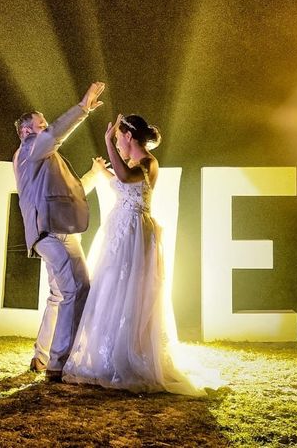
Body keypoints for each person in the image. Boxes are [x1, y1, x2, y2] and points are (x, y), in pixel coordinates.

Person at [63, 114, 224, 396]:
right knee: (113, 288)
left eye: (118, 139)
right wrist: (102, 171)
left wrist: (106, 143)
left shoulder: (148, 162)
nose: (117, 145)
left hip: (134, 233)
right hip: (120, 230)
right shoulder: (132, 165)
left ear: (127, 136)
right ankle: (108, 354)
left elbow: (126, 178)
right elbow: (122, 182)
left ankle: (130, 356)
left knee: (132, 291)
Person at [13, 82, 106, 382]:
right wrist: (82, 108)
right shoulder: (31, 148)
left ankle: (43, 357)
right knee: (76, 290)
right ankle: (60, 361)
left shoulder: (42, 158)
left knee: (58, 294)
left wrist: (94, 173)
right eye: (40, 125)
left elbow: (74, 190)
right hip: (53, 233)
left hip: (55, 231)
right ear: (27, 132)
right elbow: (56, 133)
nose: (46, 128)